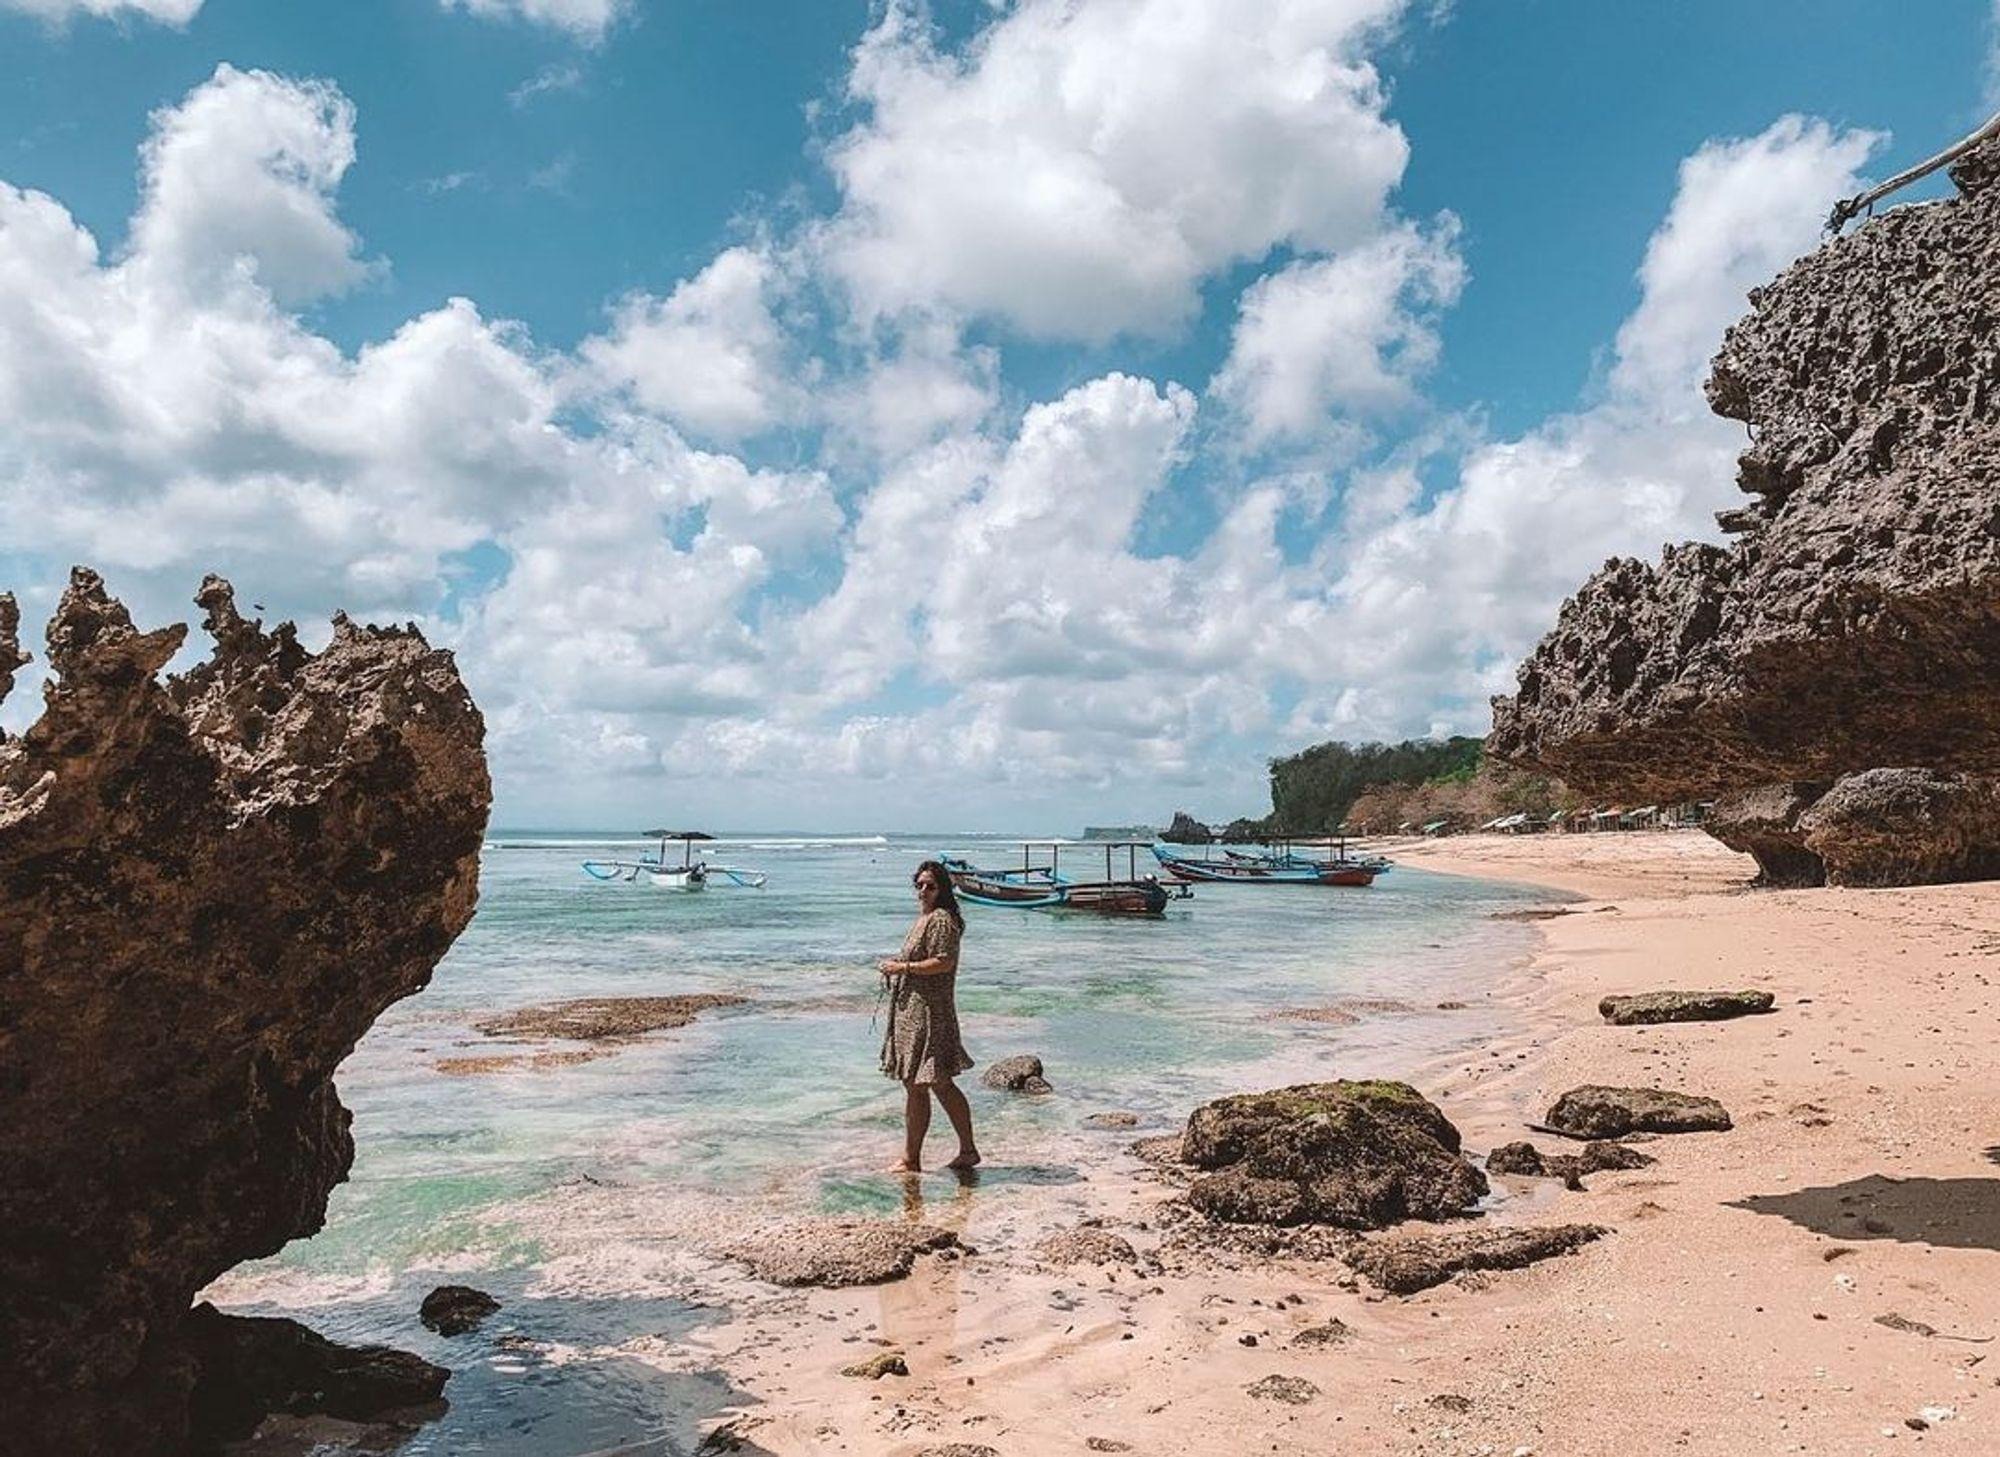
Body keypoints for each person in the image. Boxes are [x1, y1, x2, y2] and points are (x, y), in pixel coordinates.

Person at [877, 860, 980, 1173]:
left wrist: (902, 968)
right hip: (913, 1011)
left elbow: (943, 962)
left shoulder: (941, 920)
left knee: (930, 1084)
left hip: (929, 1012)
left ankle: (918, 1158)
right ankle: (955, 1152)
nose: (923, 890)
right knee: (927, 1084)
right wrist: (898, 964)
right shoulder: (925, 919)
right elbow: (926, 959)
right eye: (919, 885)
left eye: (930, 886)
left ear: (943, 889)